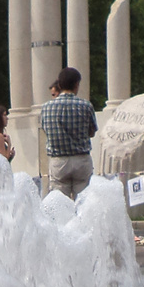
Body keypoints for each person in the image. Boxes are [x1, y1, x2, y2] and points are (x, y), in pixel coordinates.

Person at [39, 66, 97, 199]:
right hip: (81, 159)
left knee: (60, 204)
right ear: (77, 84)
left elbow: (45, 129)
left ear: (59, 84)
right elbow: (92, 132)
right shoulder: (86, 106)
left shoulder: (46, 107)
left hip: (58, 160)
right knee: (83, 203)